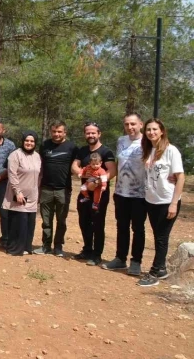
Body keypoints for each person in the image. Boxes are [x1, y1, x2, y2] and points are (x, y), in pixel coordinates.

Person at [137, 118, 185, 287]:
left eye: (155, 129)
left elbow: (180, 177)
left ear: (162, 131)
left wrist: (173, 203)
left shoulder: (171, 151)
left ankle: (154, 273)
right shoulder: (149, 150)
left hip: (167, 201)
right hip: (152, 200)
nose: (151, 132)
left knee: (162, 238)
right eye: (148, 129)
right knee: (158, 236)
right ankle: (162, 269)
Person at [101, 114, 147, 276]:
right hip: (121, 192)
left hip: (140, 194)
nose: (130, 127)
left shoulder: (147, 141)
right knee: (122, 227)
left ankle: (136, 262)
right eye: (127, 124)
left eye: (133, 124)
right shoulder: (121, 140)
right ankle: (120, 258)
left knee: (138, 229)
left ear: (141, 124)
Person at [71, 123, 116, 266]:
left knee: (97, 223)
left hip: (99, 194)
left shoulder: (106, 152)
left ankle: (97, 254)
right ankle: (87, 250)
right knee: (84, 221)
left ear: (99, 134)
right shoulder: (82, 151)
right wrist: (81, 173)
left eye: (93, 133)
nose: (90, 135)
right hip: (85, 193)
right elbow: (74, 165)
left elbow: (112, 171)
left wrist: (96, 182)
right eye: (88, 133)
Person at [34, 121, 76, 257]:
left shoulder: (72, 147)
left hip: (63, 189)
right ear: (50, 132)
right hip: (46, 188)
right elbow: (40, 165)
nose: (56, 134)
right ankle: (46, 245)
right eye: (54, 131)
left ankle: (58, 246)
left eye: (59, 132)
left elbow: (76, 166)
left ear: (65, 133)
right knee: (46, 220)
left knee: (61, 220)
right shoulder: (45, 145)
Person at [2, 132, 41, 256]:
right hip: (18, 195)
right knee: (19, 223)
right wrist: (17, 192)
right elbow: (12, 174)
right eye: (27, 140)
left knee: (30, 223)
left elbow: (39, 175)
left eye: (32, 141)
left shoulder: (37, 156)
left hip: (32, 195)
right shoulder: (15, 155)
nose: (29, 143)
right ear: (22, 141)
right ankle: (15, 249)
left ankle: (26, 247)